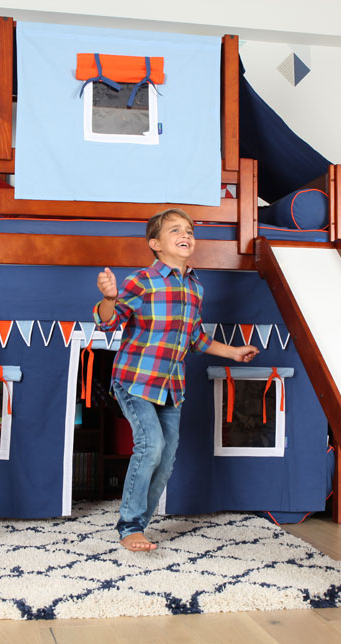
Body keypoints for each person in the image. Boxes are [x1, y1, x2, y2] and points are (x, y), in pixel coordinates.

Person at [94, 208, 259, 552]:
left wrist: (233, 353)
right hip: (135, 381)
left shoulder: (195, 286)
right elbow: (109, 323)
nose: (186, 235)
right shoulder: (142, 280)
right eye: (175, 231)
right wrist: (109, 298)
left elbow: (196, 338)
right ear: (155, 243)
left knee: (166, 457)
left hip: (170, 387)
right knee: (150, 445)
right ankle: (129, 527)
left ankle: (139, 523)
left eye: (189, 231)